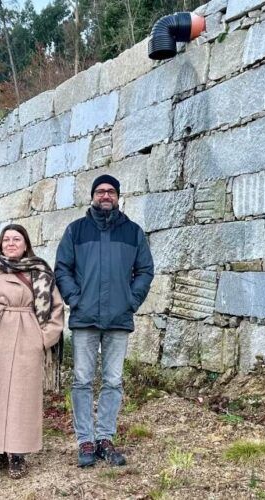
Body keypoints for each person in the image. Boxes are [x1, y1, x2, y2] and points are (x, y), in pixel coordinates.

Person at [55, 174, 154, 468]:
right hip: (85, 318)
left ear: (118, 196)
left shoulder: (133, 232)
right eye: (100, 191)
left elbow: (145, 271)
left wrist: (130, 301)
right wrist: (75, 298)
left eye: (111, 191)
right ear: (93, 196)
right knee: (82, 380)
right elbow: (62, 268)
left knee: (113, 381)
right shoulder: (76, 231)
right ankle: (85, 439)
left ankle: (105, 438)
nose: (106, 195)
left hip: (118, 319)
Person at [0, 224, 65, 479]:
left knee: (23, 397)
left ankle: (18, 454)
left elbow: (56, 309)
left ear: (25, 244)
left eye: (17, 239)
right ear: (0, 244)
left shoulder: (40, 272)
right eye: (7, 239)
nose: (11, 243)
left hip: (27, 337)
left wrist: (42, 340)